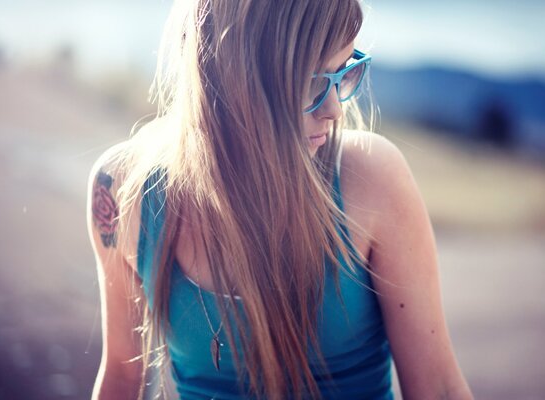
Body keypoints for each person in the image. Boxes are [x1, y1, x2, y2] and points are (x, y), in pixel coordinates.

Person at [87, 0, 473, 399]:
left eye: (345, 71)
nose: (335, 110)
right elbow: (119, 376)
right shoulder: (123, 189)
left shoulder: (371, 180)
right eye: (309, 81)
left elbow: (438, 389)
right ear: (233, 74)